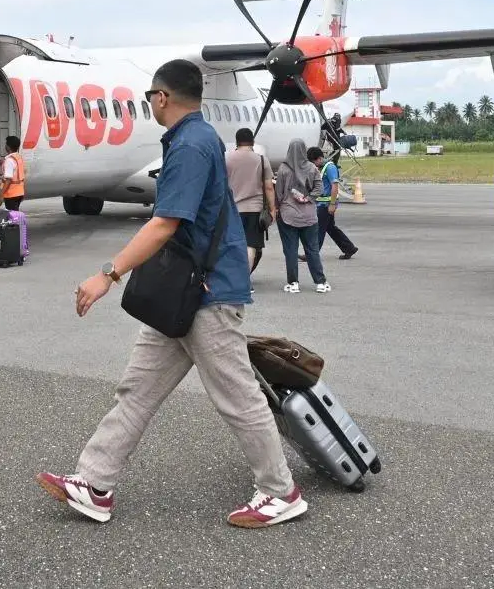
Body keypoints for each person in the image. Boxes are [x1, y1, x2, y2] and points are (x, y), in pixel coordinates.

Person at [37, 58, 307, 529]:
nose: (150, 105)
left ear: (162, 97)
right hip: (185, 295)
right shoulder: (197, 139)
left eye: (150, 98)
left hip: (208, 294)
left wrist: (108, 273)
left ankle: (281, 492)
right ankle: (95, 483)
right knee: (138, 388)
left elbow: (165, 223)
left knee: (238, 397)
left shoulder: (189, 145)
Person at [274, 139, 329, 294]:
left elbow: (278, 193)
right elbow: (319, 187)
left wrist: (276, 208)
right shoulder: (312, 168)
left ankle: (293, 283)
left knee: (290, 250)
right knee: (312, 249)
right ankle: (320, 282)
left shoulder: (283, 169)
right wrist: (310, 198)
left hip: (288, 214)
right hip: (309, 215)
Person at [225, 127, 276, 274]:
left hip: (232, 209)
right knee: (251, 246)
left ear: (237, 141)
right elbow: (269, 187)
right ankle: (244, 280)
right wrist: (273, 209)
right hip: (254, 209)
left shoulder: (226, 158)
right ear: (253, 142)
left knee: (233, 244)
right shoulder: (261, 159)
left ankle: (231, 277)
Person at [308, 147, 358, 260]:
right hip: (321, 203)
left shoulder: (330, 168)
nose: (313, 165)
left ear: (320, 158)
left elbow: (334, 186)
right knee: (330, 228)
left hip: (326, 205)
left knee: (318, 230)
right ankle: (349, 248)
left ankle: (311, 254)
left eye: (314, 162)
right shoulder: (322, 167)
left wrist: (332, 203)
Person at [0, 135, 26, 211]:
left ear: (8, 147)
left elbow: (8, 180)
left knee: (13, 219)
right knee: (15, 216)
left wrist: (1, 195)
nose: (5, 146)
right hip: (19, 192)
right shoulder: (18, 157)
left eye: (6, 144)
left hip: (11, 194)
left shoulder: (9, 161)